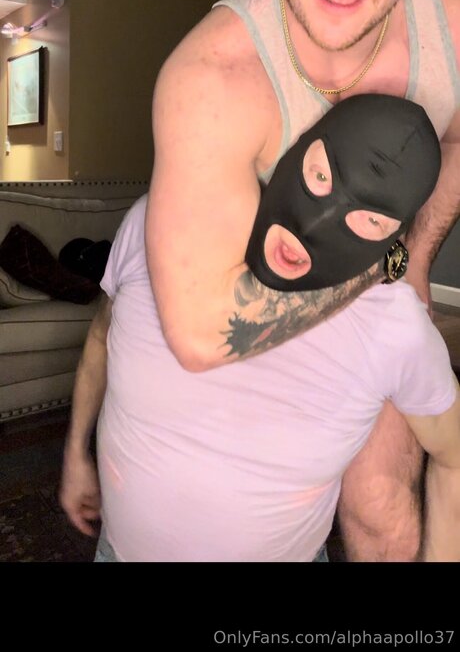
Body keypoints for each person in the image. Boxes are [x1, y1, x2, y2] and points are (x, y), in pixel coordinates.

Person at [145, 0, 460, 560]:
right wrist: (388, 262)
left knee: (381, 508)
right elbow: (203, 331)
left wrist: (418, 253)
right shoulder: (212, 78)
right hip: (266, 317)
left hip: (376, 301)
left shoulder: (455, 26)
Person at [59, 95, 460, 560]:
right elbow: (101, 337)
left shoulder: (394, 324)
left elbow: (453, 456)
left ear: (394, 235)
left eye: (370, 219)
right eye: (320, 176)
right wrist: (76, 450)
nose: (315, 225)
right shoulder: (162, 224)